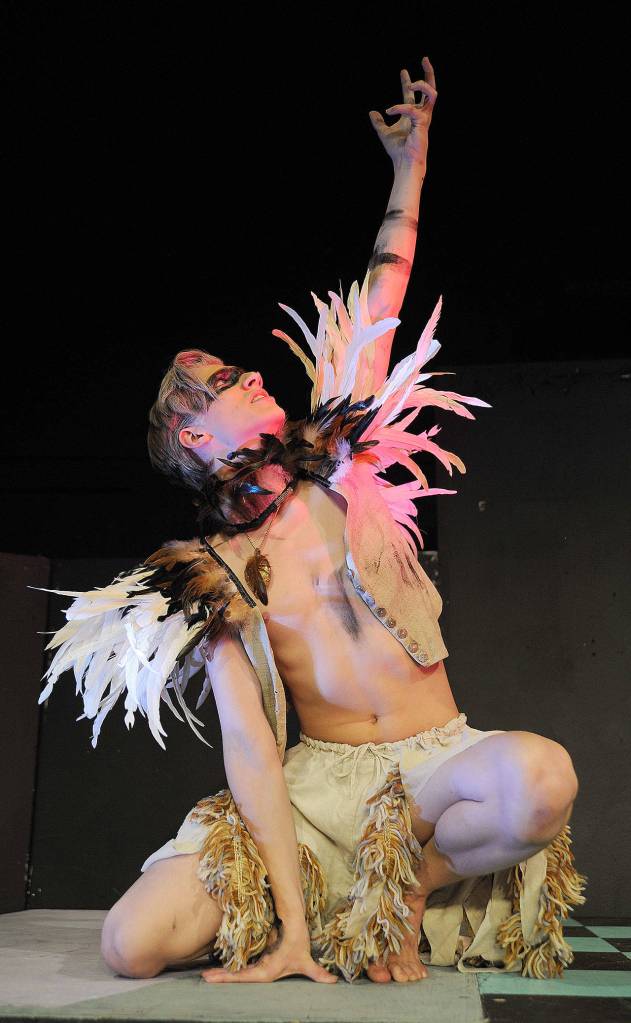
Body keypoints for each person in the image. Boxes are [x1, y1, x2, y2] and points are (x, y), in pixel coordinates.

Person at [38, 56, 586, 985]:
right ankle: (320, 915)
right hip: (313, 793)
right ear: (193, 435)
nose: (250, 373)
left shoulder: (345, 459)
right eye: (222, 381)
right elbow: (251, 748)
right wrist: (288, 927)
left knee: (541, 778)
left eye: (239, 367)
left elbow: (382, 295)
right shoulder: (207, 569)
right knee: (130, 943)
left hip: (433, 772)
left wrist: (409, 168)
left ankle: (398, 893)